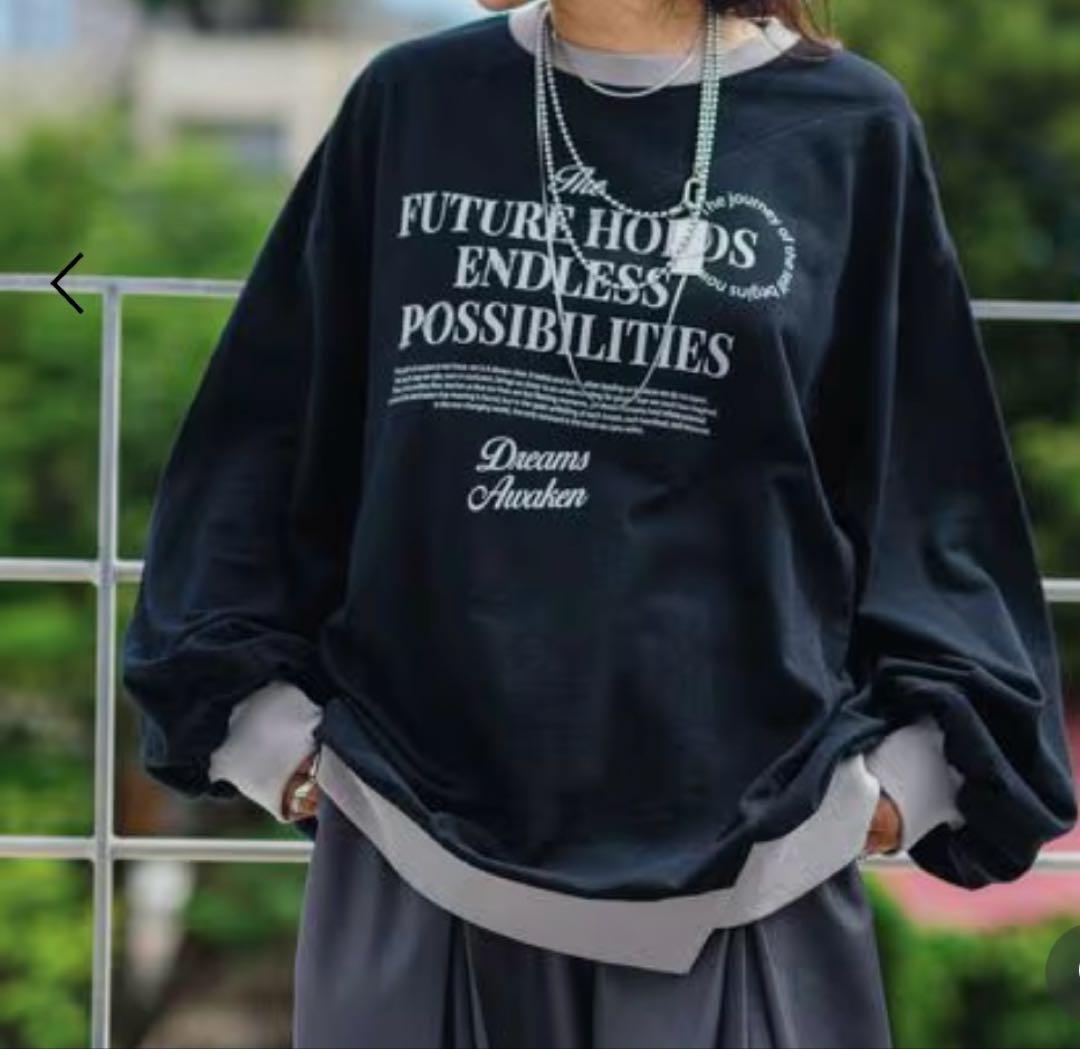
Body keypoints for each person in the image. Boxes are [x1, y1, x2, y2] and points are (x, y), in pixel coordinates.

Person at [121, 1, 1077, 1046]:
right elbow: (261, 441)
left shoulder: (848, 125)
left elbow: (930, 482)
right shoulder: (412, 103)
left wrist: (896, 789)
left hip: (753, 862)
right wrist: (273, 742)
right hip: (409, 845)